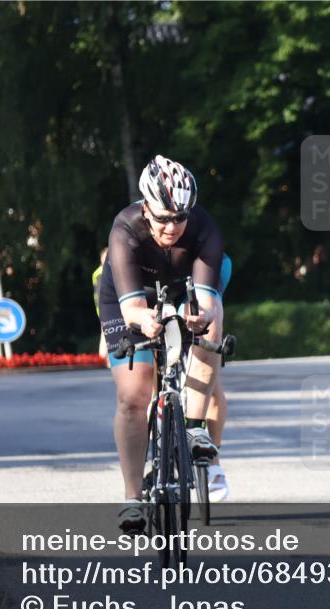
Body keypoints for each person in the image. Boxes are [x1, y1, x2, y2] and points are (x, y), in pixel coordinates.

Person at [98, 155, 231, 533]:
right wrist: (147, 321)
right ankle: (132, 498)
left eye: (180, 218)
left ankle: (193, 426)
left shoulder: (203, 227)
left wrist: (200, 319)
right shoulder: (125, 228)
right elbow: (132, 310)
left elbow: (205, 301)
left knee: (212, 325)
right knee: (134, 396)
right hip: (131, 294)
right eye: (162, 218)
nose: (172, 226)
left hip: (185, 282)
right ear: (145, 208)